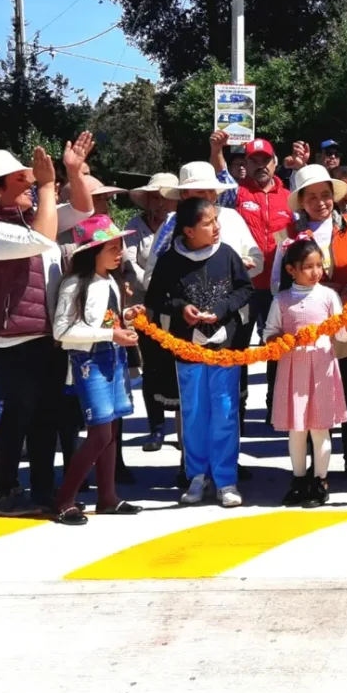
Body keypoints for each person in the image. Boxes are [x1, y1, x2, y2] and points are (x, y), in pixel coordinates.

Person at [0, 135, 97, 515]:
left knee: (46, 418)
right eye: (21, 180)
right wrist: (49, 184)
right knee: (18, 417)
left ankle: (41, 491)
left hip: (44, 334)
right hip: (12, 338)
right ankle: (6, 493)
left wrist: (72, 172)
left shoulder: (30, 218)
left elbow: (84, 211)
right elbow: (41, 238)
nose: (31, 184)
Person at [145, 197, 254, 508]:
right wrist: (181, 308)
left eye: (216, 220)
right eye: (208, 223)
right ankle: (196, 475)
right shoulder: (169, 260)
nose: (216, 227)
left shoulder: (228, 254)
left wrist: (220, 309)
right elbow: (157, 297)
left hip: (225, 349)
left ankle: (225, 479)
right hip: (187, 349)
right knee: (193, 412)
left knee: (224, 411)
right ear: (189, 231)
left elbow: (245, 289)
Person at [284, 163, 347, 481]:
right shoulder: (291, 235)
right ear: (301, 202)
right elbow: (275, 281)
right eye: (312, 197)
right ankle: (314, 463)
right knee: (311, 398)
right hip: (310, 331)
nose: (320, 202)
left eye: (326, 195)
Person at [51, 215, 143, 524]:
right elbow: (62, 332)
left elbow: (104, 320)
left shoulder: (109, 281)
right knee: (100, 432)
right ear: (94, 251)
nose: (121, 253)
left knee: (111, 429)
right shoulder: (75, 285)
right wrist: (110, 334)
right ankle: (65, 498)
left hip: (112, 358)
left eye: (121, 247)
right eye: (113, 248)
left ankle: (108, 497)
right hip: (89, 362)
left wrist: (125, 317)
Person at [265, 238, 347, 507]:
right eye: (308, 267)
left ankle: (320, 479)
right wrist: (276, 342)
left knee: (319, 428)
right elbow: (269, 333)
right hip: (293, 369)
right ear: (291, 269)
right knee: (297, 429)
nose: (316, 272)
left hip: (322, 368)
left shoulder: (327, 296)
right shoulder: (281, 299)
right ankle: (299, 479)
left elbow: (342, 335)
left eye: (319, 266)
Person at [228, 137, 295, 429]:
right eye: (253, 161)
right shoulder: (236, 194)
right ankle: (237, 410)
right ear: (246, 164)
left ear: (275, 162)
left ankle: (274, 407)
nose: (260, 166)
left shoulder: (289, 196)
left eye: (264, 160)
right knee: (239, 349)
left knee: (276, 348)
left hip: (280, 288)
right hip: (245, 288)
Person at [124, 173, 178, 449]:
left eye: (164, 196)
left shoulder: (181, 224)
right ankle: (156, 428)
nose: (159, 202)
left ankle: (183, 428)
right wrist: (153, 279)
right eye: (154, 196)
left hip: (179, 303)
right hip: (146, 304)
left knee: (181, 364)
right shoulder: (135, 225)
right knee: (151, 367)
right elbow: (129, 261)